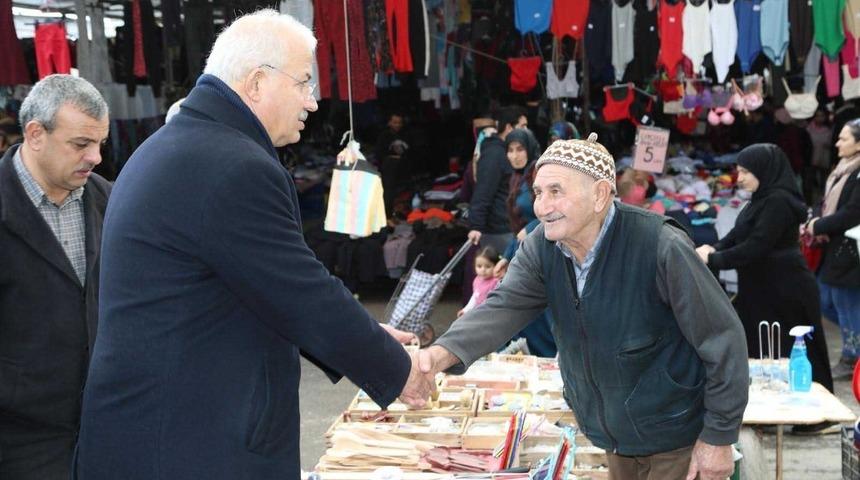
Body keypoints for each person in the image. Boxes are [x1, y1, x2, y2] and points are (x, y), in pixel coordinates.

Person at [74, 11, 433, 480]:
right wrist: (396, 370)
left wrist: (368, 336)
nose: (313, 100)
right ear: (258, 82)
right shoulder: (232, 165)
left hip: (155, 433)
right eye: (304, 82)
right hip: (188, 447)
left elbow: (262, 288)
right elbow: (301, 291)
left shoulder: (180, 144)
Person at [420, 134, 749, 480]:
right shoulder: (543, 247)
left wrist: (718, 436)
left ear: (600, 195)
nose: (541, 207)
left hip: (675, 434)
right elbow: (501, 308)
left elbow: (723, 338)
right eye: (538, 193)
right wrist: (440, 355)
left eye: (556, 192)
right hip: (613, 435)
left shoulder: (659, 245)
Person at [0, 74, 111, 480]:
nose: (95, 156)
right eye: (81, 144)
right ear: (35, 134)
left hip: (104, 423)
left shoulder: (110, 201)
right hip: (20, 440)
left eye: (100, 143)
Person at [695, 145, 836, 434]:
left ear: (764, 171)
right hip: (763, 288)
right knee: (763, 348)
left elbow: (757, 246)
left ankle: (817, 419)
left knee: (797, 349)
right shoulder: (760, 200)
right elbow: (737, 236)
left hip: (786, 288)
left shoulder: (779, 202)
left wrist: (715, 258)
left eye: (746, 171)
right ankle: (769, 413)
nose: (740, 177)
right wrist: (712, 249)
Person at [492, 128, 557, 357]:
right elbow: (517, 229)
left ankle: (550, 364)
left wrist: (530, 230)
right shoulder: (517, 177)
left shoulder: (537, 174)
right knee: (523, 311)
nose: (515, 155)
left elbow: (555, 209)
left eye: (520, 149)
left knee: (535, 312)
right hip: (525, 251)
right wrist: (507, 256)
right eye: (510, 150)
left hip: (543, 248)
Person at [804, 119, 860, 381]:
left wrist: (819, 225)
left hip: (849, 250)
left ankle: (851, 356)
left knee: (844, 301)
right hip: (834, 247)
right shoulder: (844, 169)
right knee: (827, 300)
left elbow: (852, 213)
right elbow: (827, 201)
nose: (837, 142)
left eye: (844, 138)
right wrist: (815, 218)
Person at [458, 246, 501, 317]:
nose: (483, 270)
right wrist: (465, 310)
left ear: (496, 266)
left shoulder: (496, 281)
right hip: (479, 314)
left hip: (492, 315)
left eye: (488, 266)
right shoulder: (477, 280)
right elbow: (475, 297)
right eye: (479, 266)